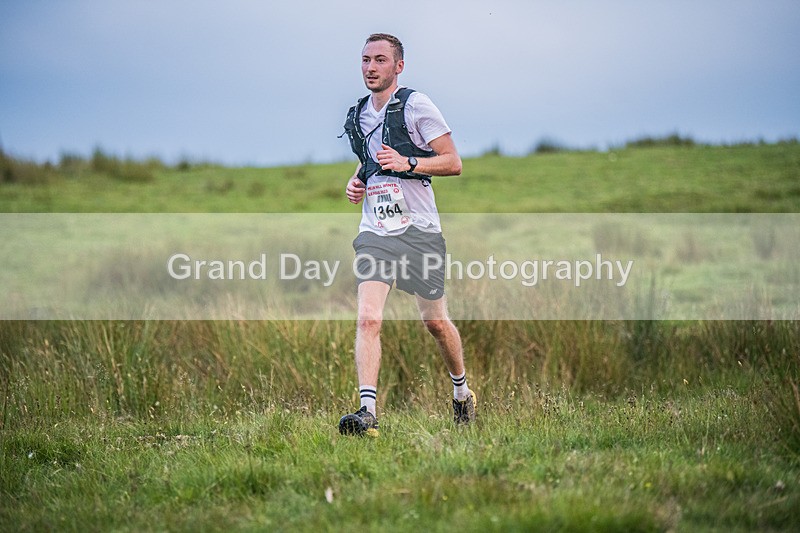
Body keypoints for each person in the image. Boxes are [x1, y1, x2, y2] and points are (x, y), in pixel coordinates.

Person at [338, 33, 476, 437]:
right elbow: (371, 163)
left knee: (434, 322)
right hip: (376, 231)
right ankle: (367, 412)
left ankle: (462, 392)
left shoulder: (417, 105)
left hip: (420, 231)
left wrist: (408, 162)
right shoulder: (358, 114)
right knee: (367, 319)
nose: (370, 67)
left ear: (398, 66)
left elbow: (453, 162)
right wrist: (357, 181)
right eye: (365, 60)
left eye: (380, 60)